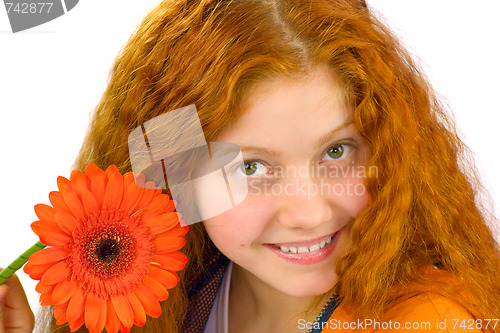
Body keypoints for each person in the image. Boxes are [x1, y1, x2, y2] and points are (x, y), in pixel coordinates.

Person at [2, 0, 500, 332]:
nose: (308, 215)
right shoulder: (187, 290)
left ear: (392, 147)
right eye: (249, 168)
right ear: (173, 175)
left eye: (336, 152)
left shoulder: (434, 320)